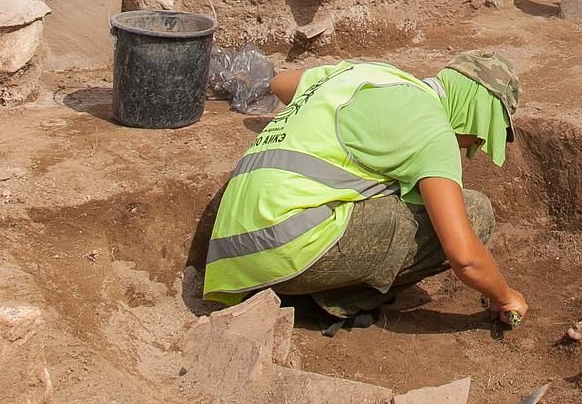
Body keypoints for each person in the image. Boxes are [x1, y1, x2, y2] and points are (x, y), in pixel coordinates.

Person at [203, 50, 527, 327]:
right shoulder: (433, 129)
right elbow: (465, 258)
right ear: (477, 112)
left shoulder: (369, 74)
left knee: (385, 181)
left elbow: (279, 84)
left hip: (229, 251)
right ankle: (336, 298)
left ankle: (310, 284)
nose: (475, 146)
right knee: (475, 213)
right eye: (482, 135)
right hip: (280, 251)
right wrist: (506, 296)